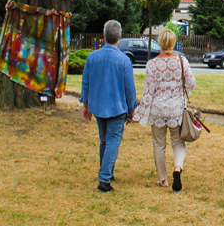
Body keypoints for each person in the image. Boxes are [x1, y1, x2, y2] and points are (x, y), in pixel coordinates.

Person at [133, 29, 196, 192]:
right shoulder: (182, 61)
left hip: (158, 109)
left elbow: (148, 92)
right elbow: (191, 83)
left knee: (159, 144)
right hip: (176, 109)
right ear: (173, 42)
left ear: (159, 42)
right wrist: (182, 92)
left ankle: (163, 179)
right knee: (178, 142)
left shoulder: (152, 64)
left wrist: (138, 114)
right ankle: (177, 168)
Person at [80, 20, 137, 193]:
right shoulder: (124, 60)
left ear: (104, 36)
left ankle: (107, 172)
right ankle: (104, 178)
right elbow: (130, 88)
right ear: (119, 37)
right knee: (112, 141)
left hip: (98, 106)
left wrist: (86, 104)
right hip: (117, 107)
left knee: (104, 140)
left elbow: (86, 83)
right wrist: (131, 109)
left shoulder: (92, 57)